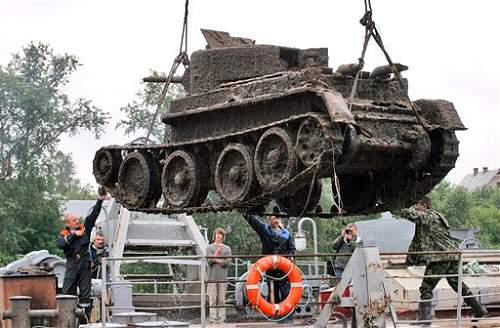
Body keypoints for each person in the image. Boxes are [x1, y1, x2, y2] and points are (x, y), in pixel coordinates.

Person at [395, 196, 487, 324]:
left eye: (418, 206)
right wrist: (409, 260)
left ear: (424, 206)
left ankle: (424, 319)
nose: (416, 208)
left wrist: (394, 208)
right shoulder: (435, 218)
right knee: (457, 284)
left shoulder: (428, 216)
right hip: (453, 255)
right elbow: (417, 241)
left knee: (426, 287)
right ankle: (478, 309)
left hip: (441, 257)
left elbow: (410, 214)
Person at [56, 186, 107, 318]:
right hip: (72, 265)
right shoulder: (64, 234)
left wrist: (100, 200)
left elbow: (93, 216)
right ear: (68, 224)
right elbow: (60, 244)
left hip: (85, 264)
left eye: (77, 219)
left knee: (85, 294)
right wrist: (74, 234)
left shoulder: (85, 229)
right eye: (74, 220)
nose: (77, 221)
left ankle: (85, 319)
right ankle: (68, 319)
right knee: (68, 292)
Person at [242, 205, 296, 319]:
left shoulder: (286, 234)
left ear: (280, 220)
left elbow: (291, 248)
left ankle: (288, 317)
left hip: (284, 268)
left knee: (286, 291)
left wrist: (291, 257)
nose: (275, 220)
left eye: (277, 218)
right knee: (274, 292)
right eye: (273, 217)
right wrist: (244, 212)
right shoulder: (264, 230)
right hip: (270, 268)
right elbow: (253, 222)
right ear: (269, 219)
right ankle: (277, 316)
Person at [205, 228, 232, 323]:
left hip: (223, 277)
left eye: (220, 234)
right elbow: (209, 262)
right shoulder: (209, 248)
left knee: (221, 298)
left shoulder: (227, 248)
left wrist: (217, 260)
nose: (219, 236)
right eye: (217, 234)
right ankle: (213, 318)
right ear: (214, 235)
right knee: (212, 299)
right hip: (211, 277)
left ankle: (221, 318)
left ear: (223, 236)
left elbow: (229, 263)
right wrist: (216, 254)